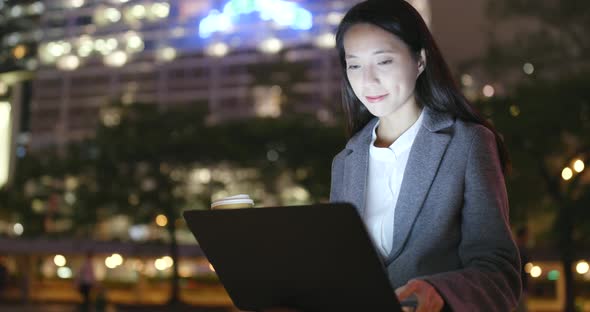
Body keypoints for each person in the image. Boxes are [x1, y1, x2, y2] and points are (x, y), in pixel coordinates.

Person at [328, 0, 521, 311]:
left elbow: (499, 272)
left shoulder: (467, 143)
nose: (368, 81)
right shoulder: (344, 162)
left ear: (419, 60)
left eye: (384, 61)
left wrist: (437, 291)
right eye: (354, 65)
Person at [516, 226, 530, 312]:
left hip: (518, 287)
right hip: (520, 288)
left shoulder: (518, 249)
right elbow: (527, 269)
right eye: (527, 235)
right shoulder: (521, 251)